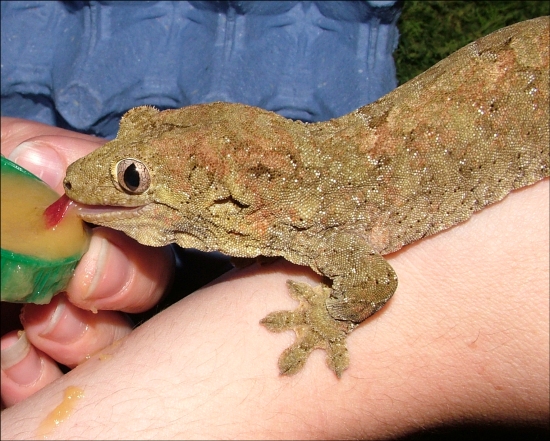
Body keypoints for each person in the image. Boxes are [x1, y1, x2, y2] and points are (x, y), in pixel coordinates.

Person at [1, 117, 548, 439]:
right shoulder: (291, 211)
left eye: (134, 178)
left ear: (228, 199)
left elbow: (371, 282)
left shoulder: (320, 220)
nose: (76, 181)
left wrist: (327, 319)